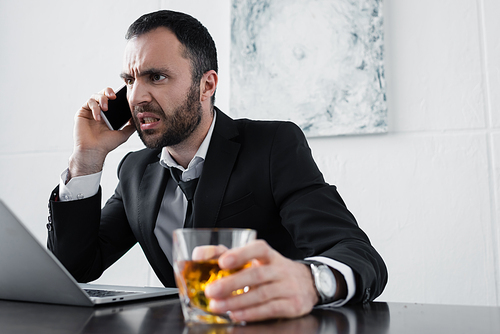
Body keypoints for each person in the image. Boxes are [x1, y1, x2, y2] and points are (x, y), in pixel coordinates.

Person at [47, 10, 387, 322]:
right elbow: (75, 266)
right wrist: (86, 160)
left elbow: (358, 254)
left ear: (206, 85)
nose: (136, 97)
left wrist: (310, 282)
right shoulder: (135, 170)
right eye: (131, 79)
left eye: (157, 77)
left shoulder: (272, 146)